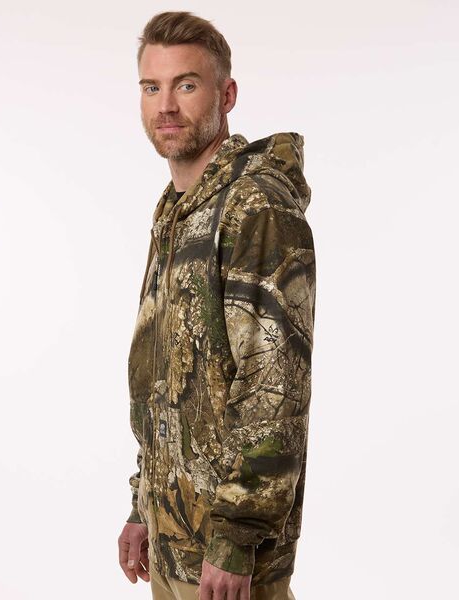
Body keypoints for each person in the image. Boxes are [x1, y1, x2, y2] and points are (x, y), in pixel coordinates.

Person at [117, 10, 316, 600]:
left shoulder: (256, 209)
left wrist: (234, 539)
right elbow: (165, 381)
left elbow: (273, 387)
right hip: (174, 543)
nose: (165, 106)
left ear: (226, 95)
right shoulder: (178, 212)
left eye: (186, 84)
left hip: (229, 562)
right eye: (151, 87)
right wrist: (143, 505)